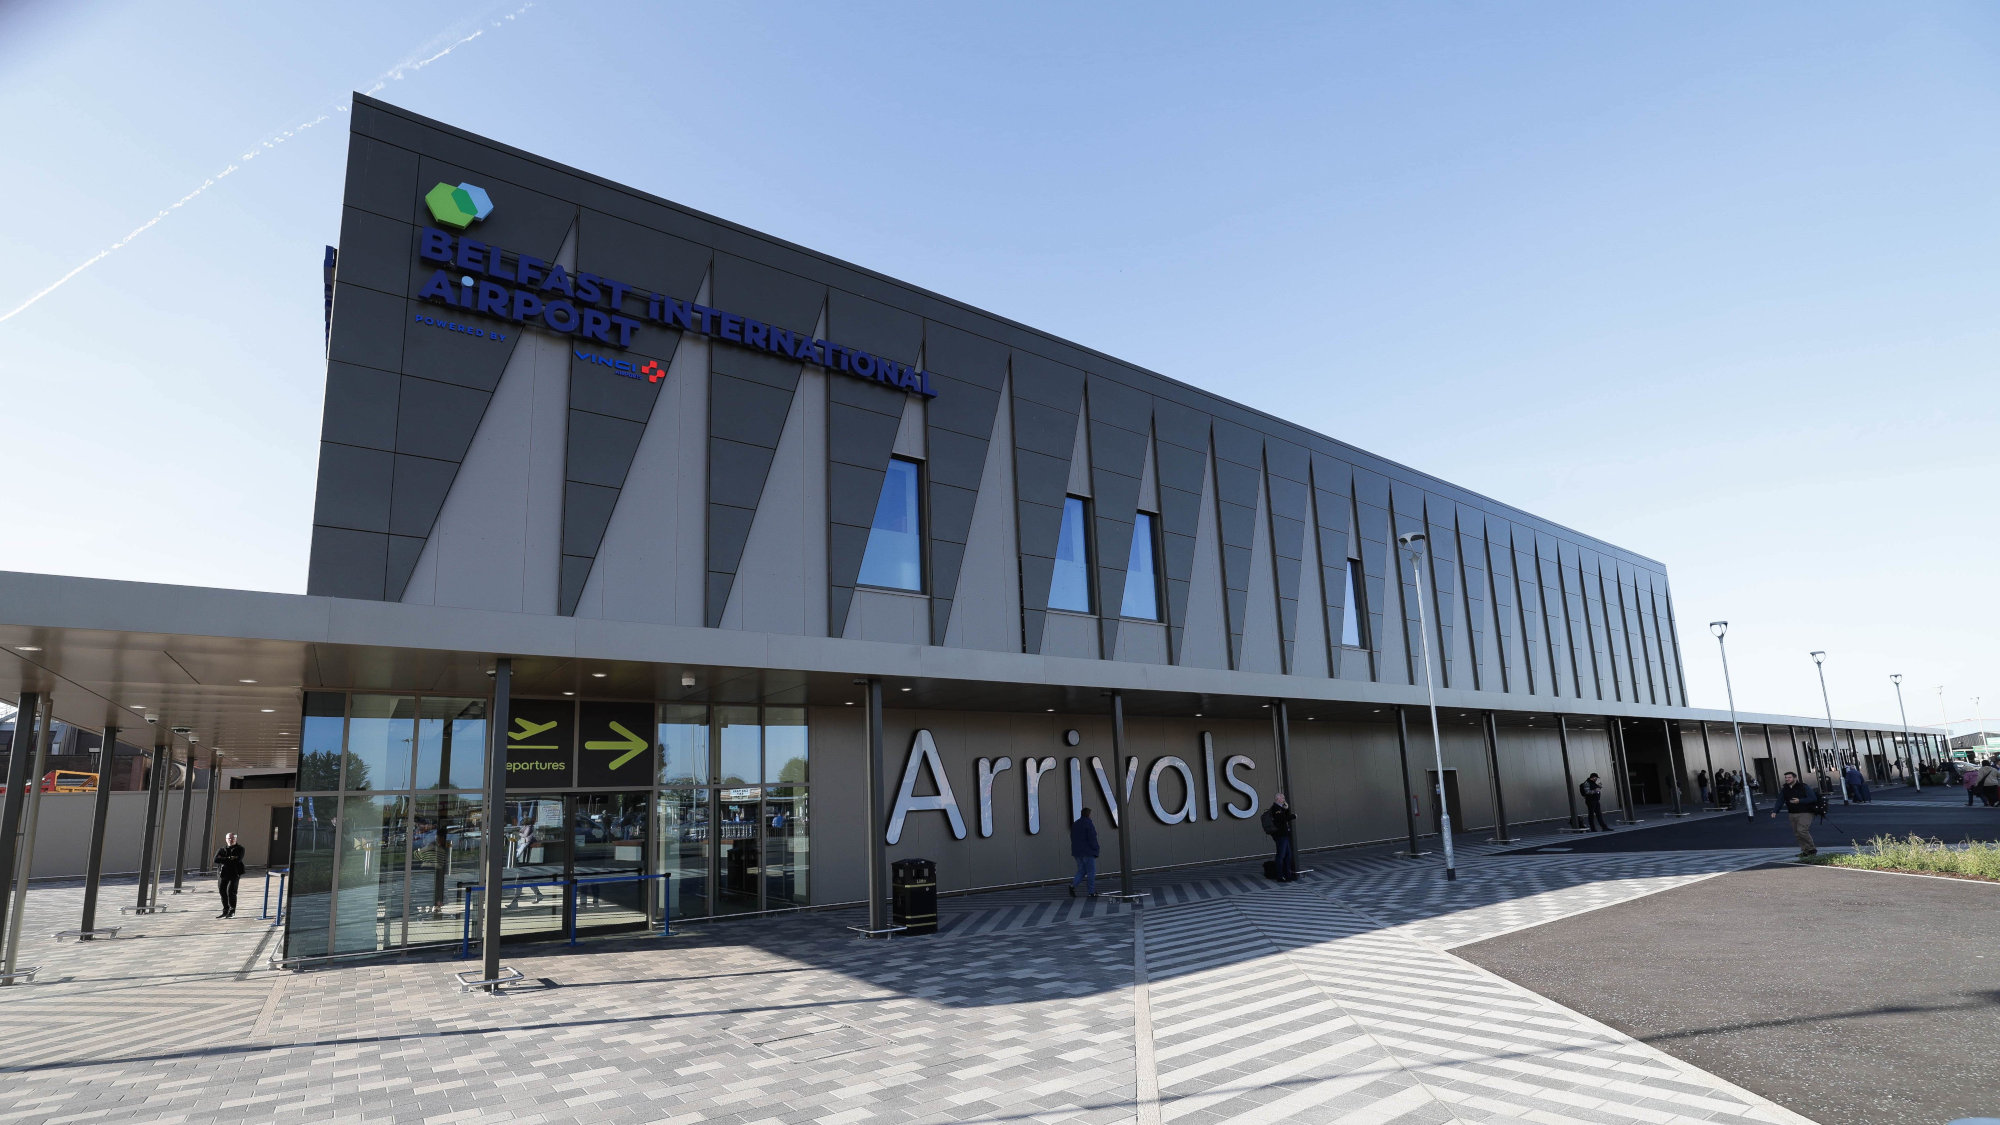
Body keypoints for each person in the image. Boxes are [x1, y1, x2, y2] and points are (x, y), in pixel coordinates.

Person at [1771, 771, 1819, 858]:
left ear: (1795, 778)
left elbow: (1813, 798)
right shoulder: (1785, 789)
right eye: (1786, 778)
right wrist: (1775, 811)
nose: (1787, 779)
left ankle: (1812, 849)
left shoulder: (1803, 786)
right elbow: (1780, 800)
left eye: (1789, 777)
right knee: (1797, 833)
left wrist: (1799, 801)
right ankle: (1805, 851)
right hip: (1792, 813)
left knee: (1802, 830)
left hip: (1805, 812)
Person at [1263, 793, 1298, 881]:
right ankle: (1280, 876)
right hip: (1280, 835)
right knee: (1281, 855)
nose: (1284, 800)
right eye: (1282, 798)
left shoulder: (1280, 808)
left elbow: (1283, 817)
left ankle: (1288, 874)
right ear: (1277, 799)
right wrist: (1293, 816)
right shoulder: (1275, 808)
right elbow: (1281, 819)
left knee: (1288, 855)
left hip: (1284, 835)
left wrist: (1286, 809)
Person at [212, 832, 246, 919]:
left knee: (231, 892)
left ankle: (232, 911)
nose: (230, 840)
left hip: (234, 873)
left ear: (235, 839)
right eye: (229, 838)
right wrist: (229, 858)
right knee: (222, 891)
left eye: (232, 838)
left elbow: (237, 860)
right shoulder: (222, 849)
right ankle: (225, 910)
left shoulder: (240, 849)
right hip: (223, 874)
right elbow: (215, 859)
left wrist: (223, 859)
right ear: (226, 839)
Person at [1068, 807, 1099, 898]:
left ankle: (1073, 885)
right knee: (1091, 872)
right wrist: (1096, 849)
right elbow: (1092, 838)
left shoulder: (1075, 824)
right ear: (1088, 814)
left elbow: (1072, 837)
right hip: (1088, 852)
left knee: (1082, 870)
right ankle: (1091, 892)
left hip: (1077, 852)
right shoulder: (1088, 824)